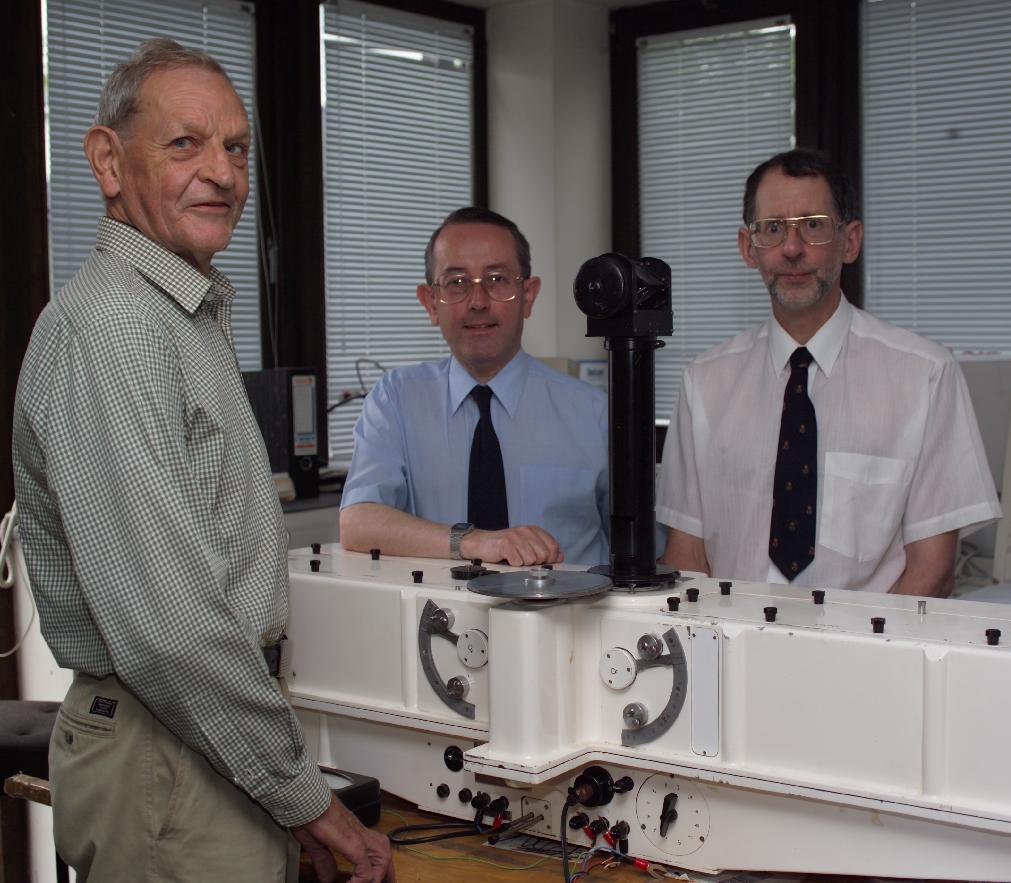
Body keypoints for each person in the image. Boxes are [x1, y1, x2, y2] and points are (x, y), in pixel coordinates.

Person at [11, 40, 393, 883]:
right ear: (108, 160)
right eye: (185, 144)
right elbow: (173, 631)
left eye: (236, 147)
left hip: (199, 738)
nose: (221, 173)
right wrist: (309, 802)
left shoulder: (182, 313)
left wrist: (275, 787)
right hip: (164, 748)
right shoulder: (112, 329)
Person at [656, 148, 1000, 596]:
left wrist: (856, 661)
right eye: (773, 229)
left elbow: (932, 570)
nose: (792, 248)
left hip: (869, 653)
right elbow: (687, 558)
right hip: (732, 653)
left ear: (850, 240)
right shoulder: (704, 382)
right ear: (748, 248)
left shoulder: (926, 376)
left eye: (813, 226)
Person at [339, 207, 609, 567]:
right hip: (441, 618)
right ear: (430, 302)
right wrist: (473, 541)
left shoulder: (595, 413)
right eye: (456, 283)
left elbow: (645, 550)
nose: (478, 302)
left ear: (528, 296)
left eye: (497, 279)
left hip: (570, 618)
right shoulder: (396, 400)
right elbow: (358, 523)